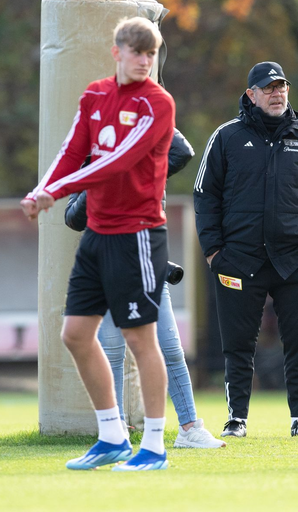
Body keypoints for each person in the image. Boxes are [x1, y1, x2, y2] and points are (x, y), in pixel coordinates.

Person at [20, 16, 176, 471]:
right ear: (117, 52)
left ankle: (153, 446)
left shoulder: (157, 103)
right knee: (74, 335)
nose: (145, 61)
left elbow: (118, 162)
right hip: (98, 234)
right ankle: (111, 437)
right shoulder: (94, 95)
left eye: (151, 53)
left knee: (139, 338)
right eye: (137, 52)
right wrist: (40, 190)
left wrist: (57, 192)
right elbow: (72, 150)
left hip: (138, 234)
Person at [194, 61, 298, 438]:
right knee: (238, 345)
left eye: (282, 87)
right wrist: (213, 252)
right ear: (251, 95)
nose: (277, 93)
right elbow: (204, 196)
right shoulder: (226, 137)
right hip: (238, 260)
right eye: (268, 88)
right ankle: (236, 419)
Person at [63, 127, 225, 450]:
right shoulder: (90, 159)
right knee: (112, 351)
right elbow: (72, 217)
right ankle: (116, 430)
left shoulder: (148, 154)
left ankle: (190, 428)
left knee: (171, 348)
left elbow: (183, 152)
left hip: (148, 265)